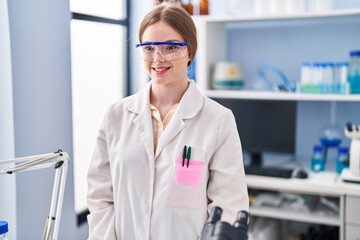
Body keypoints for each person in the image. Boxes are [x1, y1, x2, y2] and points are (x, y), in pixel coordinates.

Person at [87, 2, 249, 240]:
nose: (158, 58)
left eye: (171, 47)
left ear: (190, 51)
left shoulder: (218, 120)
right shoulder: (116, 115)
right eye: (149, 47)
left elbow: (228, 205)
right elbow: (100, 195)